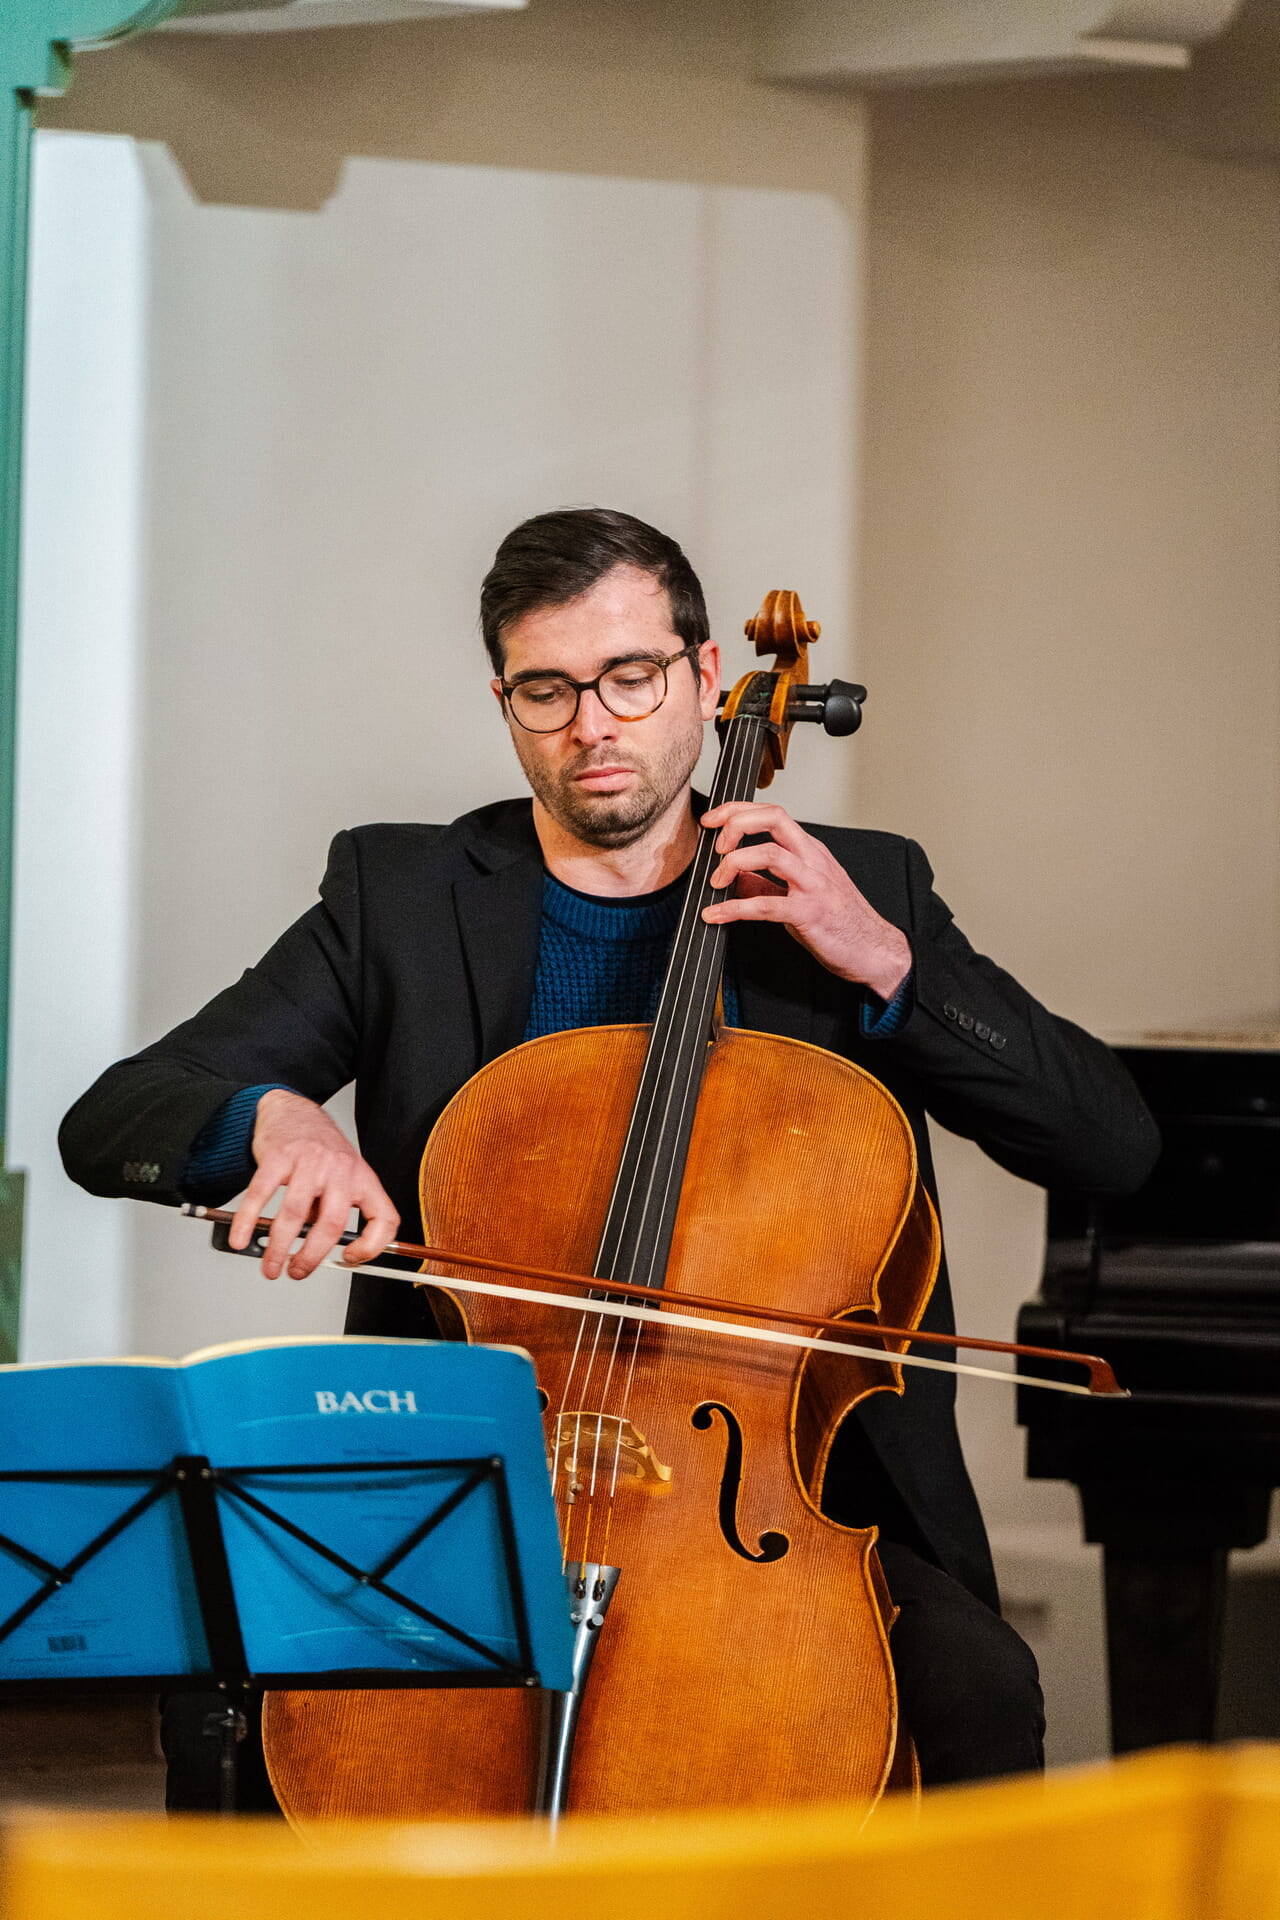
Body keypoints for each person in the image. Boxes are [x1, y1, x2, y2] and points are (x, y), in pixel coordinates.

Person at [60, 507, 1159, 1804]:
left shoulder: (858, 890)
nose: (593, 724)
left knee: (976, 1686)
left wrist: (889, 967)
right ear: (504, 700)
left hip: (773, 1510)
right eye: (548, 687)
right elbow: (119, 1112)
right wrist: (267, 1117)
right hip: (464, 1496)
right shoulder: (400, 897)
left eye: (630, 678)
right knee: (254, 1700)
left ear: (703, 678)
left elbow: (1113, 1143)